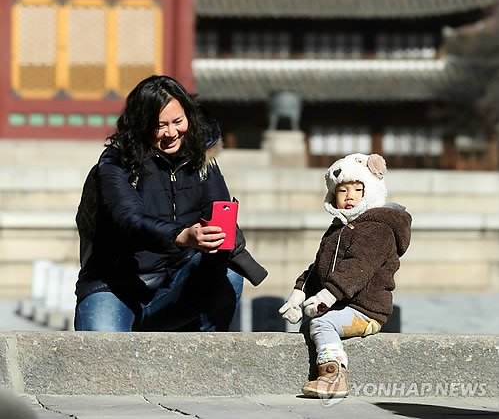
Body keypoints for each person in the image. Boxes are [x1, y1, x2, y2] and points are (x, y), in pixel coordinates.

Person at [74, 75, 267, 332]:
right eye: (160, 125)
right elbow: (129, 219)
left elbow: (218, 212)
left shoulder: (202, 158)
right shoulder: (116, 161)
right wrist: (183, 235)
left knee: (228, 273)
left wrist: (222, 237)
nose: (172, 133)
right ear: (141, 124)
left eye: (178, 121)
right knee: (100, 357)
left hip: (176, 281)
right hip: (113, 286)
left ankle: (206, 356)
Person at [279, 152, 411, 399]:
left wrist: (327, 297)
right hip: (340, 303)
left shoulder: (378, 229)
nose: (349, 196)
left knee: (321, 322)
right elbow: (318, 267)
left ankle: (334, 376)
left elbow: (357, 268)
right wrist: (299, 293)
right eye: (342, 190)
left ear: (369, 191)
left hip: (366, 309)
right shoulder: (337, 229)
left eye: (357, 189)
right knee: (311, 323)